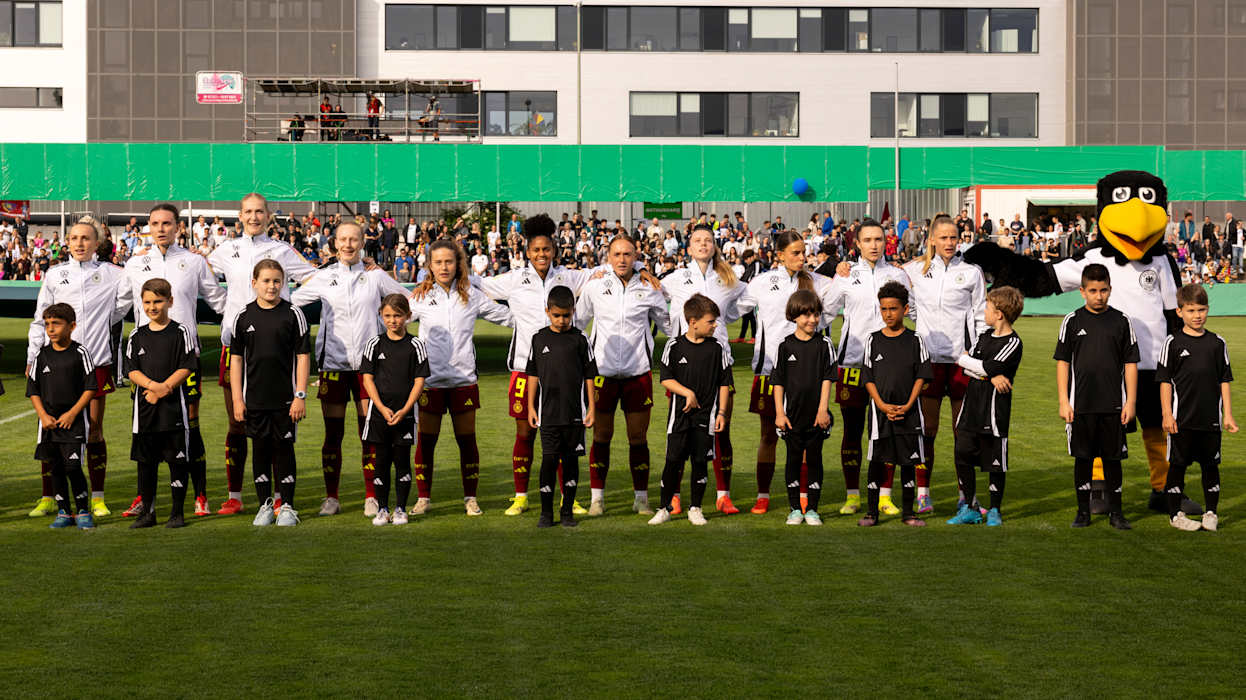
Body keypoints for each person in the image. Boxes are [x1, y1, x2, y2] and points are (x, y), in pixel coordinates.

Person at [464, 214, 632, 516]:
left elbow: (607, 268)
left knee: (566, 436)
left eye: (546, 249)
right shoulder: (514, 279)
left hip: (564, 374)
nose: (541, 254)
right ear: (527, 252)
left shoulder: (568, 277)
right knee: (525, 434)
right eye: (536, 250)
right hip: (524, 370)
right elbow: (476, 281)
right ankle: (521, 496)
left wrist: (642, 269)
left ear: (554, 250)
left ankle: (570, 497)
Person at [291, 222, 409, 517]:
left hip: (369, 368)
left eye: (353, 239)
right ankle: (332, 497)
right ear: (334, 243)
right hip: (333, 365)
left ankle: (371, 496)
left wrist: (394, 337)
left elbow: (408, 303)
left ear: (362, 242)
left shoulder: (375, 276)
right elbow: (290, 303)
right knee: (333, 434)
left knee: (369, 433)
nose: (348, 244)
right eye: (343, 239)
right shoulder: (324, 276)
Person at [208, 193, 316, 515]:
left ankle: (280, 497)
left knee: (278, 428)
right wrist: (224, 308)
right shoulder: (225, 250)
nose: (254, 217)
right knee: (238, 422)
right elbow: (199, 275)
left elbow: (314, 278)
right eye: (248, 212)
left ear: (268, 216)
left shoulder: (282, 250)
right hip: (237, 348)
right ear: (240, 215)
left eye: (259, 212)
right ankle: (236, 495)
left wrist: (291, 303)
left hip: (276, 350)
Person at [117, 202, 226, 519]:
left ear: (178, 227)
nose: (161, 228)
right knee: (145, 427)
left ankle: (200, 494)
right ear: (148, 228)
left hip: (183, 361)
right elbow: (116, 306)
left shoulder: (194, 262)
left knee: (189, 425)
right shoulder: (135, 264)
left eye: (167, 223)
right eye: (155, 223)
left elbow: (219, 301)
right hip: (145, 363)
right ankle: (144, 498)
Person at [26, 218, 125, 519]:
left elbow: (123, 306)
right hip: (54, 365)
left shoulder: (114, 274)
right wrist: (33, 355)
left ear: (97, 243)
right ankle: (49, 497)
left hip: (95, 363)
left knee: (94, 431)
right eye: (74, 238)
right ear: (67, 242)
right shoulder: (55, 274)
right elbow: (40, 318)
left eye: (86, 238)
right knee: (50, 432)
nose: (80, 243)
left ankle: (97, 498)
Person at [409, 238, 513, 516]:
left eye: (449, 261)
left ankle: (471, 498)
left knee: (467, 441)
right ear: (430, 266)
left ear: (458, 264)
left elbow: (507, 317)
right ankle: (423, 498)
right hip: (430, 382)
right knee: (426, 442)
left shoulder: (472, 295)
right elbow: (392, 318)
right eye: (438, 262)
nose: (444, 267)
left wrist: (538, 317)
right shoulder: (420, 296)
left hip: (463, 382)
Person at [735, 230, 835, 514]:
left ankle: (803, 496)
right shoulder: (761, 282)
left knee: (805, 437)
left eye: (804, 252)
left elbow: (840, 297)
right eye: (796, 253)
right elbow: (733, 307)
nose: (802, 257)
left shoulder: (819, 282)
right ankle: (763, 495)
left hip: (808, 376)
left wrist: (842, 270)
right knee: (769, 436)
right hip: (770, 372)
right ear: (779, 255)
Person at [577, 235, 669, 516]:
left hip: (637, 373)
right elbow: (578, 323)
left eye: (627, 254)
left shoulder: (649, 287)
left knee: (637, 437)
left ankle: (641, 498)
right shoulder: (595, 286)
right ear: (608, 257)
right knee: (601, 435)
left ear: (635, 256)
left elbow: (667, 325)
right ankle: (597, 499)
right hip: (602, 375)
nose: (622, 259)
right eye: (616, 254)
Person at [659, 223, 747, 515]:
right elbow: (651, 296)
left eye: (708, 239)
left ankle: (723, 495)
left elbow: (749, 299)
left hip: (718, 365)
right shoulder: (675, 278)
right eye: (697, 239)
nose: (703, 244)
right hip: (684, 369)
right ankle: (673, 495)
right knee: (680, 435)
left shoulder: (727, 278)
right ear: (689, 246)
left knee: (721, 431)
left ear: (714, 245)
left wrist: (728, 317)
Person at [902, 215, 987, 514]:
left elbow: (981, 315)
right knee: (927, 429)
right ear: (932, 240)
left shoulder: (972, 272)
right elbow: (911, 308)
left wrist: (975, 353)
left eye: (954, 237)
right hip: (929, 363)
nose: (950, 243)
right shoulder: (914, 270)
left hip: (962, 362)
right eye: (944, 237)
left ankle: (966, 494)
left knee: (963, 432)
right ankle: (923, 494)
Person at [828, 218, 912, 515]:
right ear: (857, 244)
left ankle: (885, 496)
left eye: (878, 239)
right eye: (868, 240)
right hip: (852, 364)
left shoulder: (898, 275)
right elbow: (824, 312)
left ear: (886, 242)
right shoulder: (846, 275)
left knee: (887, 432)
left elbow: (914, 309)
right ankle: (852, 495)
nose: (874, 245)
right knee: (852, 432)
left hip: (890, 368)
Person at [1054, 264, 1138, 530]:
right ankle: (1082, 512)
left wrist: (1131, 401)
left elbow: (1130, 363)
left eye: (1103, 290)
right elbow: (1063, 363)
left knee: (1113, 460)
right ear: (1082, 291)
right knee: (1083, 459)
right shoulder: (1072, 321)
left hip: (1114, 405)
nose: (1098, 296)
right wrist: (1063, 401)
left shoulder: (1122, 321)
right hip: (1081, 405)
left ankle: (1117, 512)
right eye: (1093, 291)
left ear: (1110, 290)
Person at [229, 260, 312, 527]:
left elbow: (303, 356)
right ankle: (265, 505)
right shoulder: (243, 316)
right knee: (260, 451)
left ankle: (286, 505)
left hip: (286, 400)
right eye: (266, 281)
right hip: (254, 400)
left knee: (284, 450)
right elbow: (236, 360)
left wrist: (300, 395)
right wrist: (237, 399)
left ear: (283, 283)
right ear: (254, 283)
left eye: (277, 281)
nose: (272, 286)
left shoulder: (293, 314)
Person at [1157, 284, 1236, 532]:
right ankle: (1175, 515)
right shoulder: (1172, 342)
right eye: (1191, 310)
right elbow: (1165, 382)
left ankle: (1211, 512)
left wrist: (1228, 415)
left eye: (1201, 309)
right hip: (1181, 420)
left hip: (1210, 420)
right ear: (1179, 312)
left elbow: (1224, 380)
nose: (1197, 315)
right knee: (1177, 466)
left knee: (1211, 466)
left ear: (1208, 309)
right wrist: (1167, 414)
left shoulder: (1217, 343)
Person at [649, 294, 732, 526]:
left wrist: (721, 413)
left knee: (699, 461)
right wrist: (687, 393)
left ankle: (695, 508)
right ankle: (664, 508)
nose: (715, 326)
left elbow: (724, 383)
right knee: (672, 461)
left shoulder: (717, 348)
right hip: (679, 417)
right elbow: (665, 379)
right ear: (693, 322)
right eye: (711, 321)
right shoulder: (674, 346)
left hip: (706, 416)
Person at [121, 278, 198, 529]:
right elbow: (131, 370)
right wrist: (154, 387)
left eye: (158, 301)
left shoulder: (180, 332)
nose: (152, 307)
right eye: (147, 302)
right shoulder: (137, 335)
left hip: (174, 409)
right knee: (146, 464)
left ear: (170, 302)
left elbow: (187, 365)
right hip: (144, 411)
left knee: (177, 462)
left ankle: (177, 513)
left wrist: (166, 388)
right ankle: (148, 512)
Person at [947, 287, 1025, 527]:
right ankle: (970, 508)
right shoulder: (984, 336)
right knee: (962, 454)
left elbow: (984, 366)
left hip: (993, 411)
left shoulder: (1013, 342)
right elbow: (966, 365)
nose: (984, 312)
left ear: (999, 314)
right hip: (970, 407)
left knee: (995, 462)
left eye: (988, 308)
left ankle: (994, 510)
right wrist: (988, 374)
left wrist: (981, 368)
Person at [859, 282, 933, 528]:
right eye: (884, 309)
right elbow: (867, 377)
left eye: (893, 308)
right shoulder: (873, 340)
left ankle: (909, 513)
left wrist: (908, 404)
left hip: (908, 414)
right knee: (877, 461)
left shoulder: (915, 340)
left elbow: (922, 375)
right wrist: (881, 405)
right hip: (880, 414)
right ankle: (872, 512)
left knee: (908, 462)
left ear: (905, 309)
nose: (888, 314)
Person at [525, 285, 597, 528]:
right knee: (548, 461)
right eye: (556, 315)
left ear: (573, 312)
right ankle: (546, 513)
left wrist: (592, 407)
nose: (562, 320)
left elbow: (590, 376)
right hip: (547, 414)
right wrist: (530, 406)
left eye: (566, 315)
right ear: (547, 311)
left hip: (575, 414)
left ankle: (567, 512)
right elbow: (532, 375)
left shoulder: (581, 339)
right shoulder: (538, 338)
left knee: (571, 462)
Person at [360, 294, 430, 526]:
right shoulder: (374, 344)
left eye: (398, 316)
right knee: (381, 461)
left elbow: (419, 381)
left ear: (408, 316)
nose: (392, 320)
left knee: (402, 461)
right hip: (379, 415)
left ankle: (400, 508)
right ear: (381, 315)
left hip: (405, 415)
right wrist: (381, 407)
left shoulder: (416, 345)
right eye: (388, 316)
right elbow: (367, 379)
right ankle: (382, 509)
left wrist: (405, 409)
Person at [27, 303, 99, 529]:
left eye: (56, 324)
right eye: (47, 324)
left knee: (72, 467)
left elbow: (91, 387)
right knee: (55, 468)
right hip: (48, 424)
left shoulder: (80, 353)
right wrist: (43, 415)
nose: (51, 329)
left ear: (72, 326)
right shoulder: (42, 355)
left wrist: (72, 413)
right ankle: (64, 512)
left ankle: (83, 510)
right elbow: (33, 389)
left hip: (73, 423)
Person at [771, 290, 836, 526]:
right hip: (791, 417)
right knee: (793, 461)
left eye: (816, 314)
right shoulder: (784, 345)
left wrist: (823, 410)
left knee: (815, 459)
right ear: (794, 316)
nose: (812, 320)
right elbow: (778, 381)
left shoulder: (825, 344)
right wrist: (779, 413)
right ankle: (795, 509)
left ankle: (813, 510)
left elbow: (828, 379)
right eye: (807, 315)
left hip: (816, 416)